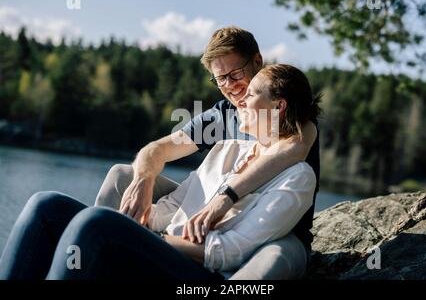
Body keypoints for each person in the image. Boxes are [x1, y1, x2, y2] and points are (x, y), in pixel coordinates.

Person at [0, 64, 320, 280]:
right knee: (46, 205)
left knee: (97, 223)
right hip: (165, 246)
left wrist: (152, 239)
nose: (239, 99)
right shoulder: (227, 149)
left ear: (278, 107)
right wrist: (143, 213)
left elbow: (230, 253)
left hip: (197, 273)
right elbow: (172, 208)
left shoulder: (297, 177)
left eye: (251, 94)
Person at [95, 26, 321, 279]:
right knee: (121, 176)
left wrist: (226, 197)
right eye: (220, 79)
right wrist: (143, 180)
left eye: (235, 73)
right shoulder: (223, 116)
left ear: (257, 61)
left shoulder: (293, 118)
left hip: (276, 231)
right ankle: (105, 260)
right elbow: (157, 149)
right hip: (212, 217)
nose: (230, 86)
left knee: (276, 259)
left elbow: (294, 149)